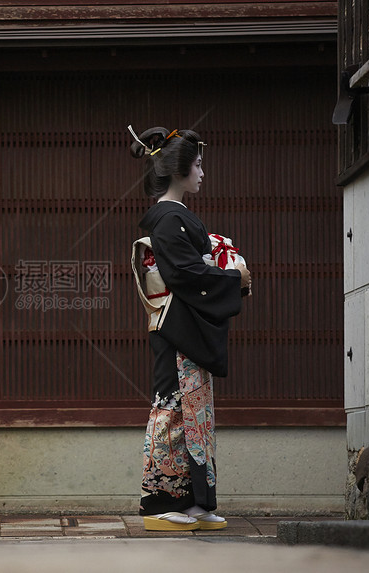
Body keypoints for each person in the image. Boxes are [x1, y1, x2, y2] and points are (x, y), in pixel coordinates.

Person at [128, 126, 251, 531]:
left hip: (185, 322)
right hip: (175, 324)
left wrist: (223, 269)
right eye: (197, 165)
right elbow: (184, 273)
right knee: (172, 408)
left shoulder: (174, 216)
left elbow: (193, 268)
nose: (202, 172)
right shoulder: (168, 218)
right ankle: (160, 502)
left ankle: (195, 502)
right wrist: (231, 276)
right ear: (179, 169)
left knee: (195, 414)